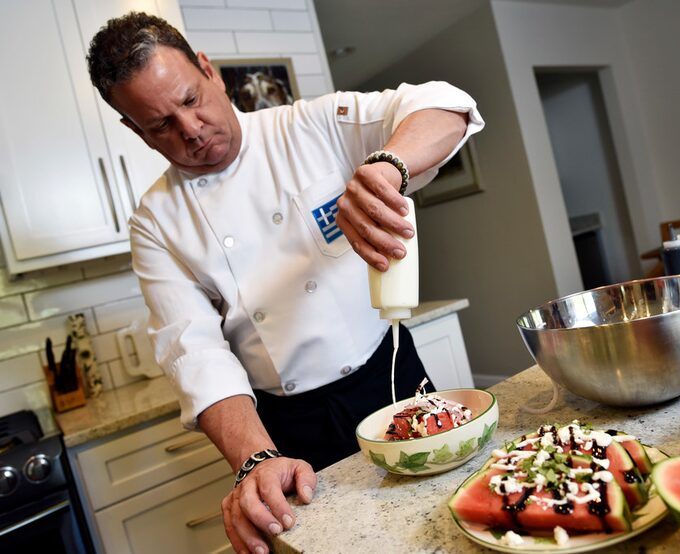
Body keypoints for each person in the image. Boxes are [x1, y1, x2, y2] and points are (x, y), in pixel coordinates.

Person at [86, 12, 484, 554]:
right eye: (160, 126)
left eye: (190, 100)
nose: (191, 130)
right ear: (134, 131)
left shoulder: (309, 126)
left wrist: (388, 166)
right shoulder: (155, 223)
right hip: (287, 427)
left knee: (448, 524)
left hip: (389, 375)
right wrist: (255, 461)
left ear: (209, 71)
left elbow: (446, 104)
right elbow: (194, 351)